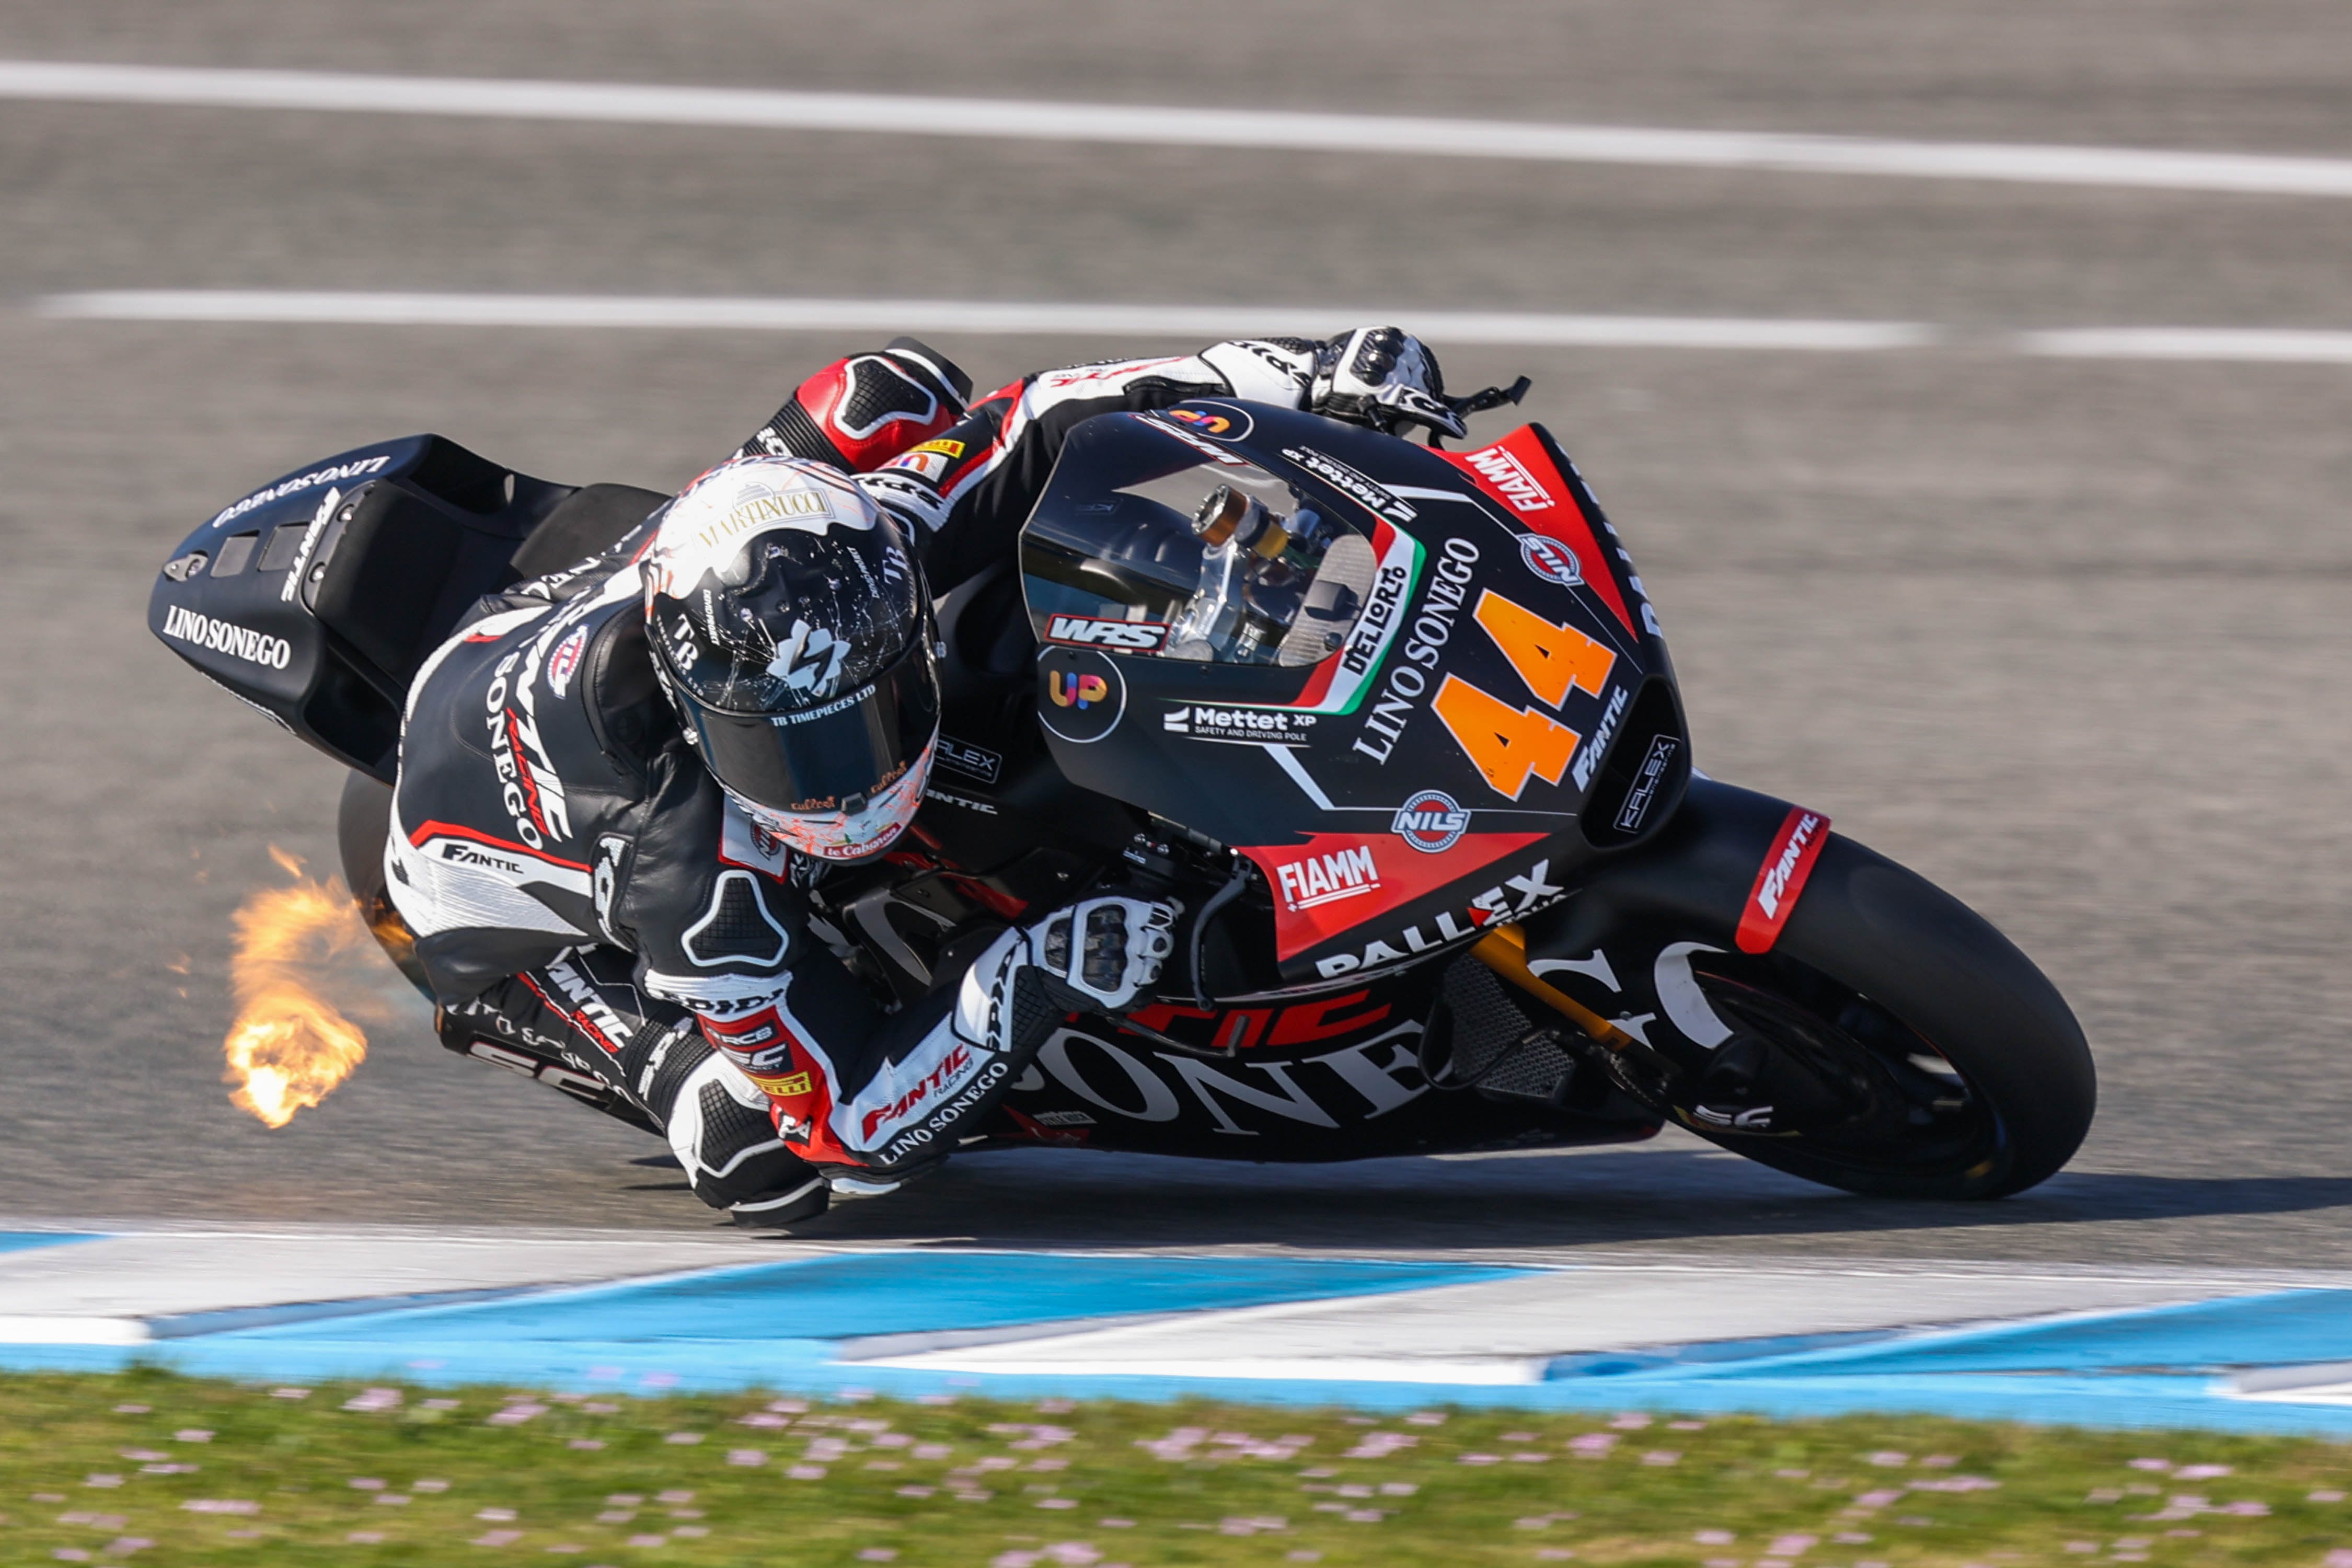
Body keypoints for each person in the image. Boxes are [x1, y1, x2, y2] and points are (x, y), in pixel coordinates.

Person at [382, 328, 1470, 1224]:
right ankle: (616, 1043)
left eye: (866, 719)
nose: (837, 783)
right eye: (788, 751)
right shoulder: (693, 882)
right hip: (483, 900)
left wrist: (1293, 374)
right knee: (753, 1157)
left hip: (620, 595)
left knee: (892, 393)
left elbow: (1039, 419)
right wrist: (1038, 972)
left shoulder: (881, 537)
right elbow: (848, 1130)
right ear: (697, 710)